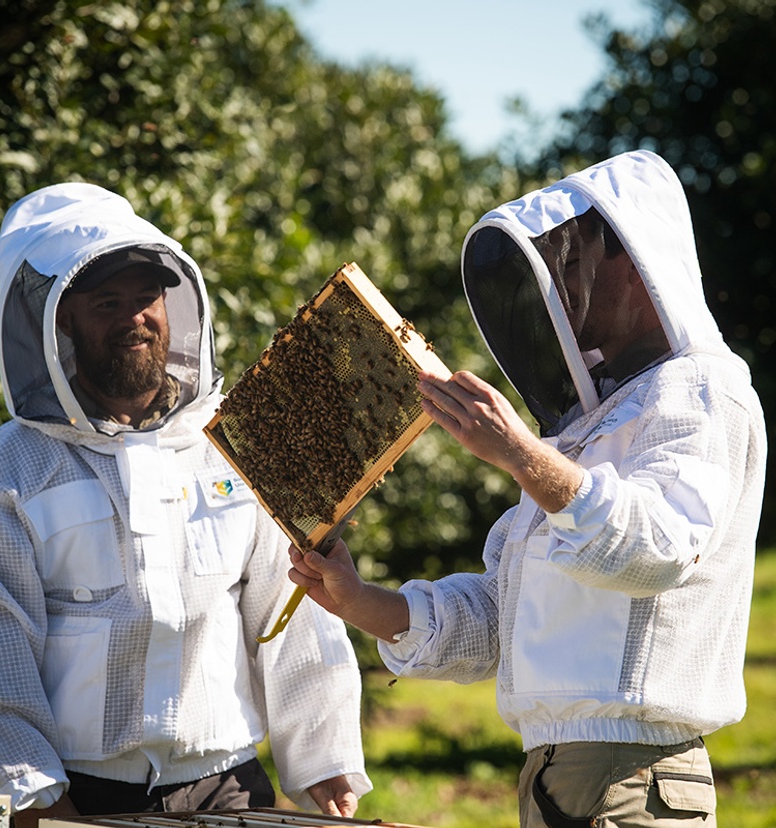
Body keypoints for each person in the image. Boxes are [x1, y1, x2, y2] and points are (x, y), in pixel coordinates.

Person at [287, 150, 767, 827]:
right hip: (547, 777)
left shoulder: (703, 393)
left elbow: (657, 548)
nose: (559, 293)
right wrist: (365, 603)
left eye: (573, 267)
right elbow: (497, 617)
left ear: (636, 263)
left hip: (638, 780)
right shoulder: (582, 429)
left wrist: (520, 456)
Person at [0, 183, 372, 827]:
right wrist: (37, 801)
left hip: (228, 785)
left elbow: (290, 612)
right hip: (79, 795)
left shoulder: (232, 446)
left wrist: (325, 756)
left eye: (145, 297)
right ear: (59, 319)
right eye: (105, 302)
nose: (134, 317)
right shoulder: (5, 475)